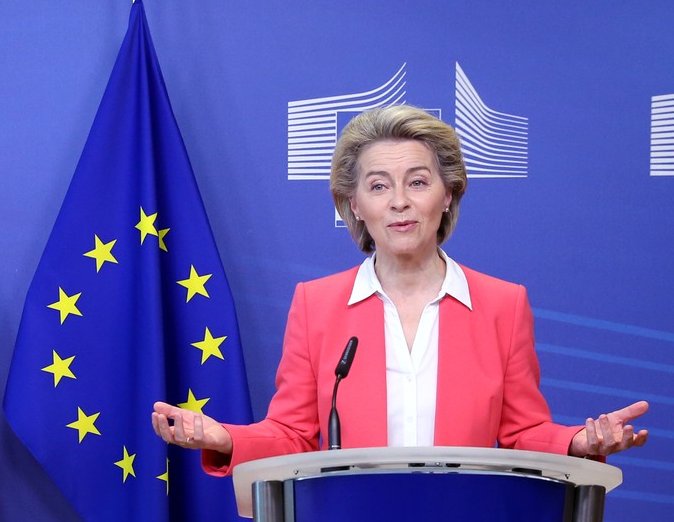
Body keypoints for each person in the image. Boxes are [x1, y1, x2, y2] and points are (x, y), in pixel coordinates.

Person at [152, 104, 647, 470]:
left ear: (448, 194)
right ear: (354, 205)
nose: (399, 203)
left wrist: (577, 444)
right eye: (379, 185)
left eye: (417, 182)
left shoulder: (502, 305)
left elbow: (523, 433)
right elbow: (293, 434)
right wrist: (226, 438)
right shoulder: (317, 305)